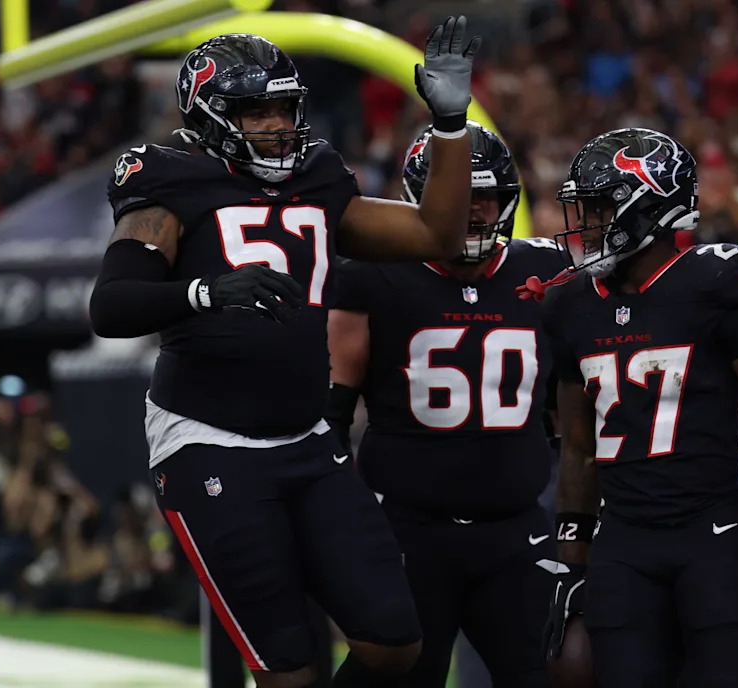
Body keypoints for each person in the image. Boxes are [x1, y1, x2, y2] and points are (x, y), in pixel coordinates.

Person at [89, 20, 481, 688]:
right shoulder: (169, 180)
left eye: (282, 108)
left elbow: (436, 233)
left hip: (306, 438)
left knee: (395, 643)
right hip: (210, 440)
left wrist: (449, 123)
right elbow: (112, 304)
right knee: (287, 673)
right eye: (254, 110)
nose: (274, 124)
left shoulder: (319, 175)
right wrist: (205, 291)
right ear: (210, 115)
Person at [537, 128, 738, 687]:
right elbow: (577, 446)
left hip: (711, 534)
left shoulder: (715, 281)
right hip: (621, 543)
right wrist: (570, 559)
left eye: (600, 207)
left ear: (648, 206)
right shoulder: (572, 305)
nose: (589, 224)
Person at [326, 121, 564, 688]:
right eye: (460, 198)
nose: (473, 213)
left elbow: (571, 406)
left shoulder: (548, 273)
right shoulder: (374, 275)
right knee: (401, 670)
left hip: (515, 530)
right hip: (409, 530)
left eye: (486, 199)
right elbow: (330, 415)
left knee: (553, 671)